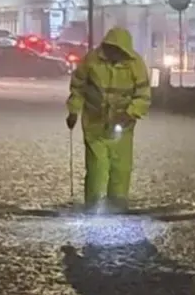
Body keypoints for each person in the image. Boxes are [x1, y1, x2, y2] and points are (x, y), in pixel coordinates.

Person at [65, 26, 151, 213]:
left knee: (121, 166)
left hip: (123, 125)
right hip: (94, 123)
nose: (115, 54)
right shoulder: (91, 61)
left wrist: (130, 113)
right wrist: (73, 111)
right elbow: (78, 88)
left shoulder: (136, 65)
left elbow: (143, 96)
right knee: (97, 165)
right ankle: (93, 204)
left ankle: (117, 204)